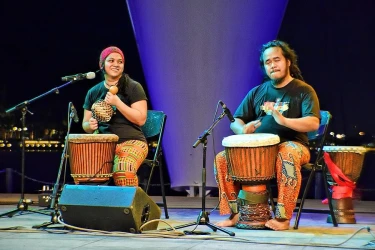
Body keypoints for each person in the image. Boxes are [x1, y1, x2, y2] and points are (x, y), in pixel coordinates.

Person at [214, 40, 320, 231]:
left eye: (277, 60)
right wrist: (242, 130)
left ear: (288, 61)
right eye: (267, 62)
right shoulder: (258, 92)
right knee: (222, 159)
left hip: (294, 145)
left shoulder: (303, 90)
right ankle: (236, 213)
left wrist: (284, 121)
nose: (272, 65)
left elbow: (313, 122)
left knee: (286, 153)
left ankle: (282, 218)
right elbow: (236, 120)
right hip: (261, 151)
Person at [82, 46, 148, 186]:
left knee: (123, 171)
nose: (116, 64)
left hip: (132, 142)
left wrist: (117, 103)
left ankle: (131, 207)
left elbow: (141, 119)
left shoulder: (133, 87)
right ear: (102, 65)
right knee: (85, 172)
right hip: (104, 145)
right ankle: (100, 207)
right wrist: (90, 125)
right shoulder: (93, 92)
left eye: (120, 62)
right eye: (111, 60)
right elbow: (85, 124)